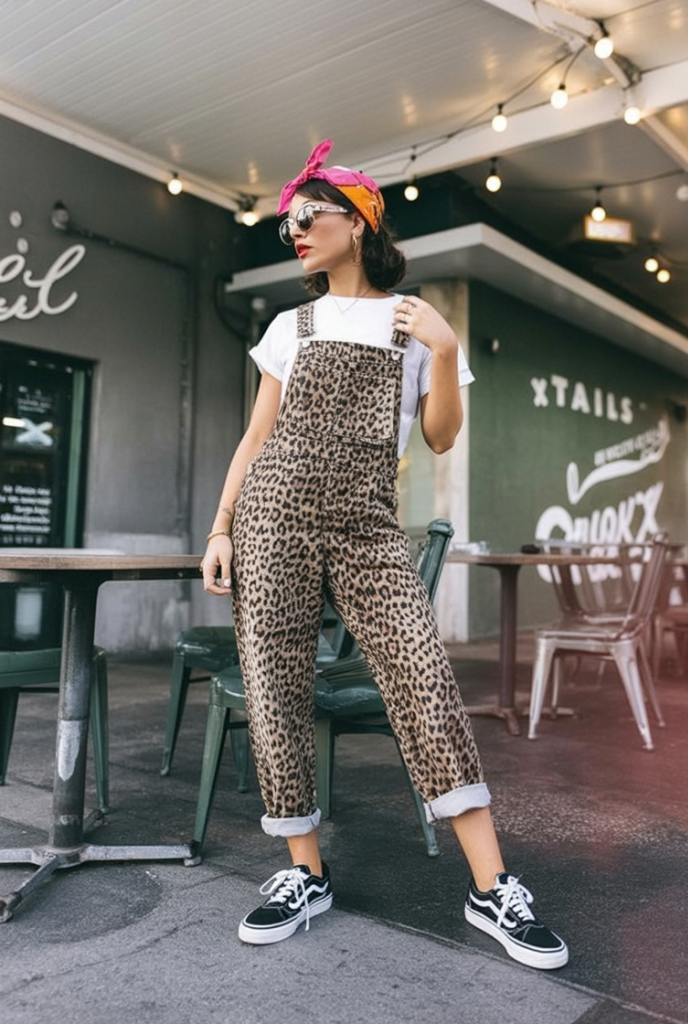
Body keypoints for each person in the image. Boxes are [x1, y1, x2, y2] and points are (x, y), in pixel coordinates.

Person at [200, 139, 568, 970]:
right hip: (271, 517)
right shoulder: (289, 326)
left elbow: (438, 438)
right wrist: (221, 527)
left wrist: (446, 349)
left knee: (424, 679)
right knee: (275, 687)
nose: (294, 231)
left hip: (368, 527)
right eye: (287, 223)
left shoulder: (415, 324)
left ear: (359, 221)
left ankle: (492, 888)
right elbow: (255, 438)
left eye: (308, 216)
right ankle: (304, 873)